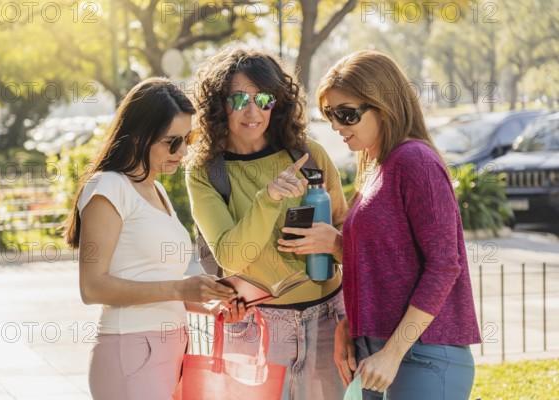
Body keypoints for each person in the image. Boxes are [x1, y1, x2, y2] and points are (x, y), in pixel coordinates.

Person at [281, 50, 482, 399]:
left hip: (422, 355)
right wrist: (352, 324)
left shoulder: (415, 161)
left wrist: (392, 353)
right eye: (330, 115)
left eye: (347, 115)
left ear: (383, 104)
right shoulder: (377, 167)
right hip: (377, 351)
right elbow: (391, 261)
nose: (337, 126)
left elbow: (443, 265)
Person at [63, 77, 247, 400]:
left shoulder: (155, 188)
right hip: (131, 349)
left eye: (187, 138)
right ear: (138, 134)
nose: (184, 151)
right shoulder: (107, 187)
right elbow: (91, 288)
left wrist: (211, 303)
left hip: (172, 349)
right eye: (171, 141)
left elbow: (157, 283)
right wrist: (181, 288)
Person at [186, 45, 348, 400]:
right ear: (218, 105)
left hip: (328, 320)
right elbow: (231, 256)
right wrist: (268, 198)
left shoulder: (309, 154)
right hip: (254, 328)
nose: (253, 112)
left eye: (264, 98)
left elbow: (349, 236)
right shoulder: (205, 171)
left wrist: (333, 243)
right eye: (239, 100)